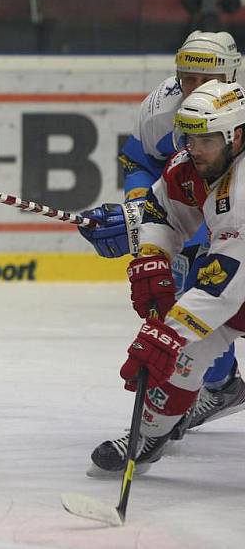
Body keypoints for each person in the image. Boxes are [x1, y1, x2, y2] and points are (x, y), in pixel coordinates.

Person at [78, 31, 245, 435]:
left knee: (206, 299)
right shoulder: (161, 110)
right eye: (187, 78)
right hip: (200, 199)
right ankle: (220, 386)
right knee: (186, 295)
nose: (196, 89)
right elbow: (141, 164)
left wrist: (167, 334)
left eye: (208, 80)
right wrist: (143, 218)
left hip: (232, 217)